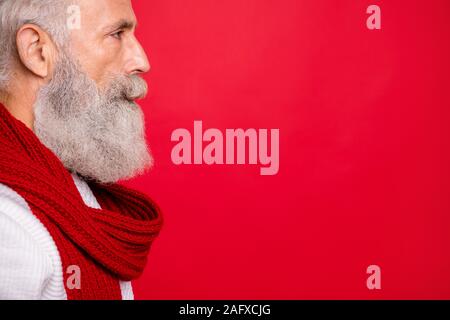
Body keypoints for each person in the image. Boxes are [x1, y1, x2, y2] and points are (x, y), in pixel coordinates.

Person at [0, 0, 163, 300]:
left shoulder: (66, 179)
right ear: (37, 51)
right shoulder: (9, 227)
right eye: (117, 34)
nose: (142, 60)